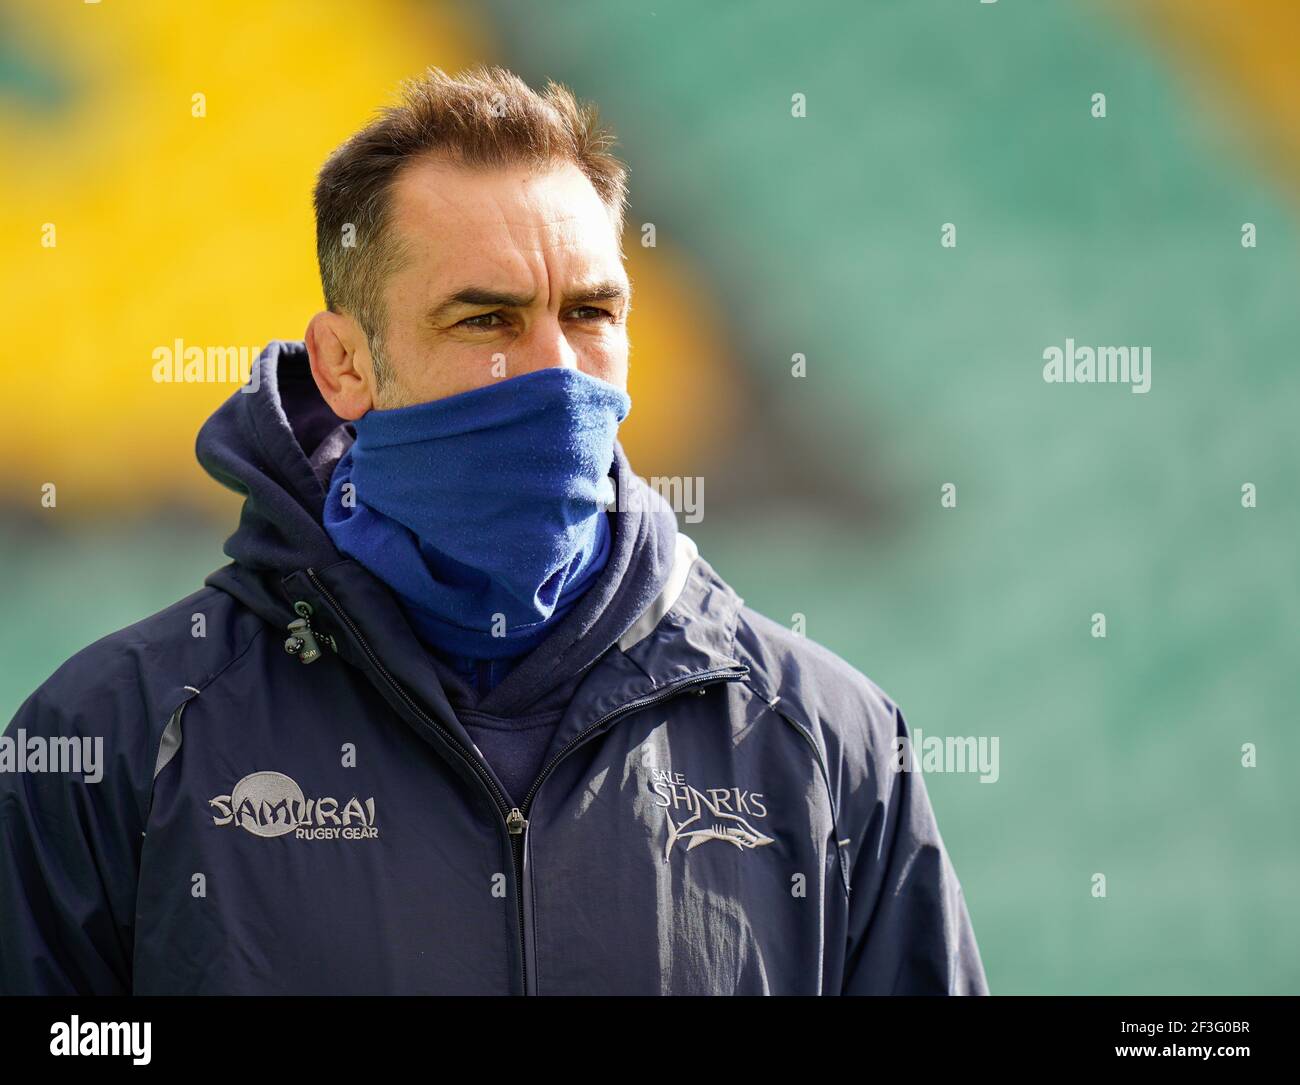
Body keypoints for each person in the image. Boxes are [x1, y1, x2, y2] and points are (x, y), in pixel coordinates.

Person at [0, 66, 987, 995]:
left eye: (591, 311)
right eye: (487, 320)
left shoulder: (826, 744)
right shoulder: (110, 740)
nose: (556, 370)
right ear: (344, 364)